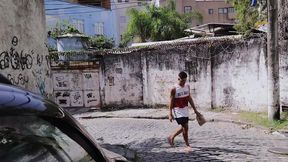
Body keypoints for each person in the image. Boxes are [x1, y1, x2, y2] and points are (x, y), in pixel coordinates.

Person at [168, 71, 200, 151]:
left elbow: (189, 98)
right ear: (178, 79)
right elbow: (171, 101)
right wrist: (170, 114)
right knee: (185, 127)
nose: (183, 82)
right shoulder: (174, 89)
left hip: (185, 109)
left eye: (185, 81)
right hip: (177, 110)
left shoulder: (187, 86)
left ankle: (171, 137)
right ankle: (187, 145)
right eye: (182, 81)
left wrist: (195, 109)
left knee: (184, 127)